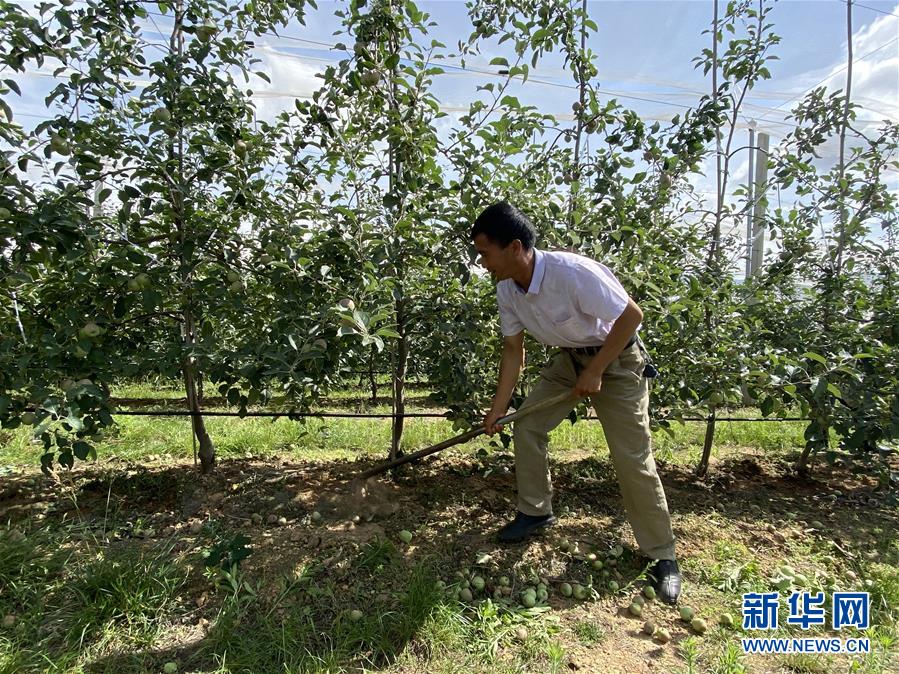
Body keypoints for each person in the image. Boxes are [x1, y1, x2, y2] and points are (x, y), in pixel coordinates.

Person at [471, 201, 681, 604]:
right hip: (569, 360)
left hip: (616, 360)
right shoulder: (506, 291)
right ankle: (535, 510)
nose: (483, 263)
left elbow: (631, 317)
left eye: (485, 253)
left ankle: (662, 554)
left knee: (631, 457)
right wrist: (500, 406)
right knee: (527, 425)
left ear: (514, 247)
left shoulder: (572, 274)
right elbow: (513, 351)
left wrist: (597, 369)